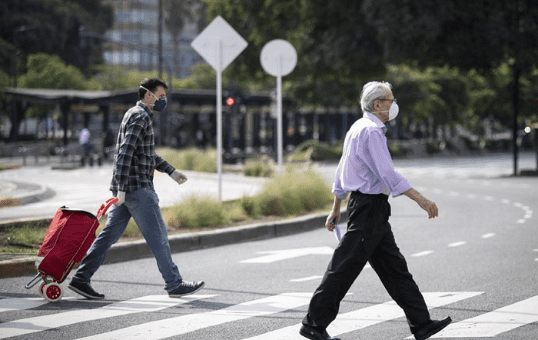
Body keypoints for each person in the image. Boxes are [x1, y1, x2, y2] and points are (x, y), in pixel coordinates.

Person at [299, 81, 451, 340]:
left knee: (395, 269)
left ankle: (422, 324)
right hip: (369, 208)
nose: (394, 105)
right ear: (377, 104)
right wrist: (421, 200)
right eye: (390, 101)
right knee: (344, 266)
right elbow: (388, 174)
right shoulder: (371, 131)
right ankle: (313, 323)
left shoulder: (358, 128)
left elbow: (342, 170)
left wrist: (336, 207)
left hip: (370, 207)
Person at [68, 78, 205, 299]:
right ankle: (174, 283)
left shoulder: (134, 114)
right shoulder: (140, 117)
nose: (163, 101)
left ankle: (81, 279)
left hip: (128, 191)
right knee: (158, 236)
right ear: (148, 95)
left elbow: (146, 154)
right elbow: (124, 153)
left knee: (107, 236)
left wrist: (171, 171)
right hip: (138, 189)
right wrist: (122, 187)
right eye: (161, 96)